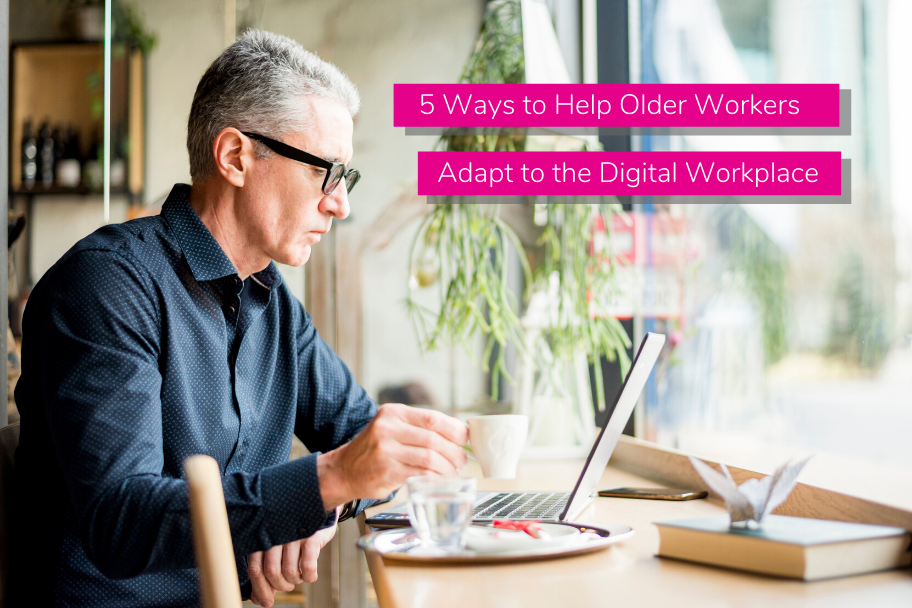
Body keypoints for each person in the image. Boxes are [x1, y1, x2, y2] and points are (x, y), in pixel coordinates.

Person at [10, 30, 467, 608]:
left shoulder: (275, 305)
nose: (340, 203)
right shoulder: (107, 285)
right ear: (235, 157)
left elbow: (362, 441)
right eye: (325, 171)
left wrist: (315, 508)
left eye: (345, 178)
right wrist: (323, 484)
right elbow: (121, 521)